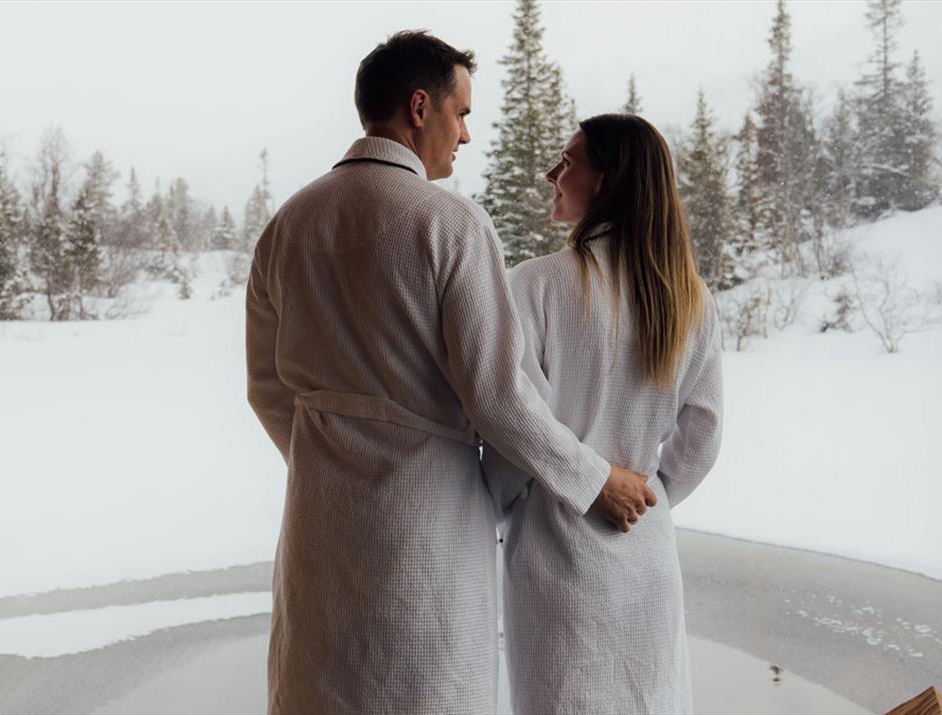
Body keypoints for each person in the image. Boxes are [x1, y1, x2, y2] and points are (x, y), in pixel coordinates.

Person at [245, 32, 652, 714]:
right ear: (419, 107)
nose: (465, 134)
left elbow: (265, 388)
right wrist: (596, 479)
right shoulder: (450, 224)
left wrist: (331, 456)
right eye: (461, 113)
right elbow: (499, 397)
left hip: (318, 524)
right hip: (425, 528)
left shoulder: (287, 224)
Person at [484, 114, 724, 714]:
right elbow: (703, 435)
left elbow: (514, 418)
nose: (551, 173)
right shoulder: (688, 298)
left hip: (555, 549)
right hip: (646, 551)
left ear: (608, 179)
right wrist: (651, 496)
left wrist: (514, 500)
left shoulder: (535, 286)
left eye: (568, 161)